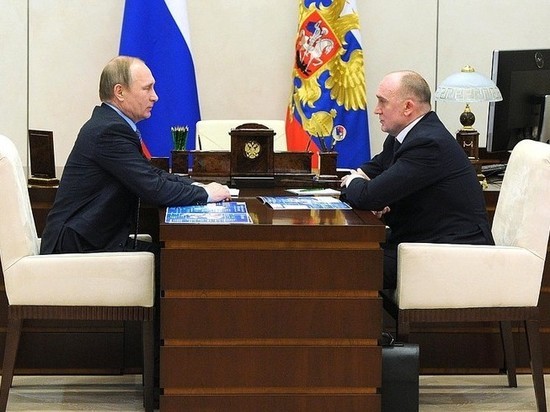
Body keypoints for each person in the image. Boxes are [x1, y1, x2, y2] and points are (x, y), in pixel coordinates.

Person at [40, 56, 231, 255]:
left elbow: (151, 173)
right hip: (77, 248)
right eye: (147, 89)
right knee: (178, 259)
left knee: (175, 257)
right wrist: (206, 194)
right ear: (120, 92)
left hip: (91, 240)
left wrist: (197, 186)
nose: (155, 97)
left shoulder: (110, 123)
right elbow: (152, 187)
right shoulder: (109, 131)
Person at [340, 70, 493, 290]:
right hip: (420, 243)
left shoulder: (428, 143)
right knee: (342, 255)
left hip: (451, 255)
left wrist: (360, 186)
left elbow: (367, 195)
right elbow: (366, 178)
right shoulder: (402, 137)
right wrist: (363, 185)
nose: (376, 110)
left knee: (344, 265)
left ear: (408, 107)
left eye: (382, 102)